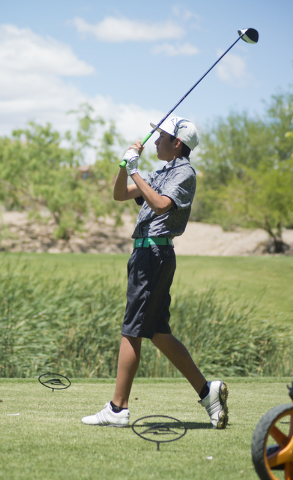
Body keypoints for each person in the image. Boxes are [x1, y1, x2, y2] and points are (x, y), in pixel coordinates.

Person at [81, 117, 228, 429]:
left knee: (132, 329)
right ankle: (208, 392)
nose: (157, 140)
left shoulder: (184, 172)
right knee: (158, 332)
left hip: (155, 254)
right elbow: (120, 194)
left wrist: (135, 169)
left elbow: (161, 204)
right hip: (147, 254)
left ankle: (118, 409)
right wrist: (125, 166)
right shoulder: (162, 171)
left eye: (162, 136)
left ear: (178, 143)